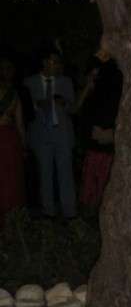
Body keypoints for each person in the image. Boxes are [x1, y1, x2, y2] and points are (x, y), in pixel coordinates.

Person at [24, 49, 76, 219]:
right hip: (41, 134)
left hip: (62, 134)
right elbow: (24, 110)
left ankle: (69, 212)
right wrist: (37, 105)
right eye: (55, 61)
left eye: (59, 62)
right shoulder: (29, 82)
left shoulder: (65, 82)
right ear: (45, 62)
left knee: (65, 173)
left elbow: (73, 108)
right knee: (44, 174)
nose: (58, 65)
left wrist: (64, 103)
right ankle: (48, 212)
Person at [78, 39, 123, 210]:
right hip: (95, 137)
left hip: (107, 136)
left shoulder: (116, 73)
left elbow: (112, 104)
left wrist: (110, 131)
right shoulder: (97, 72)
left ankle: (96, 208)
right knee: (91, 179)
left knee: (102, 180)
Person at [0, 54, 25, 223]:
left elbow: (20, 123)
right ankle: (11, 217)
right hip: (9, 137)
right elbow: (20, 124)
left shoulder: (14, 94)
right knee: (10, 178)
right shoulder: (14, 94)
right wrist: (24, 146)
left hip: (8, 139)